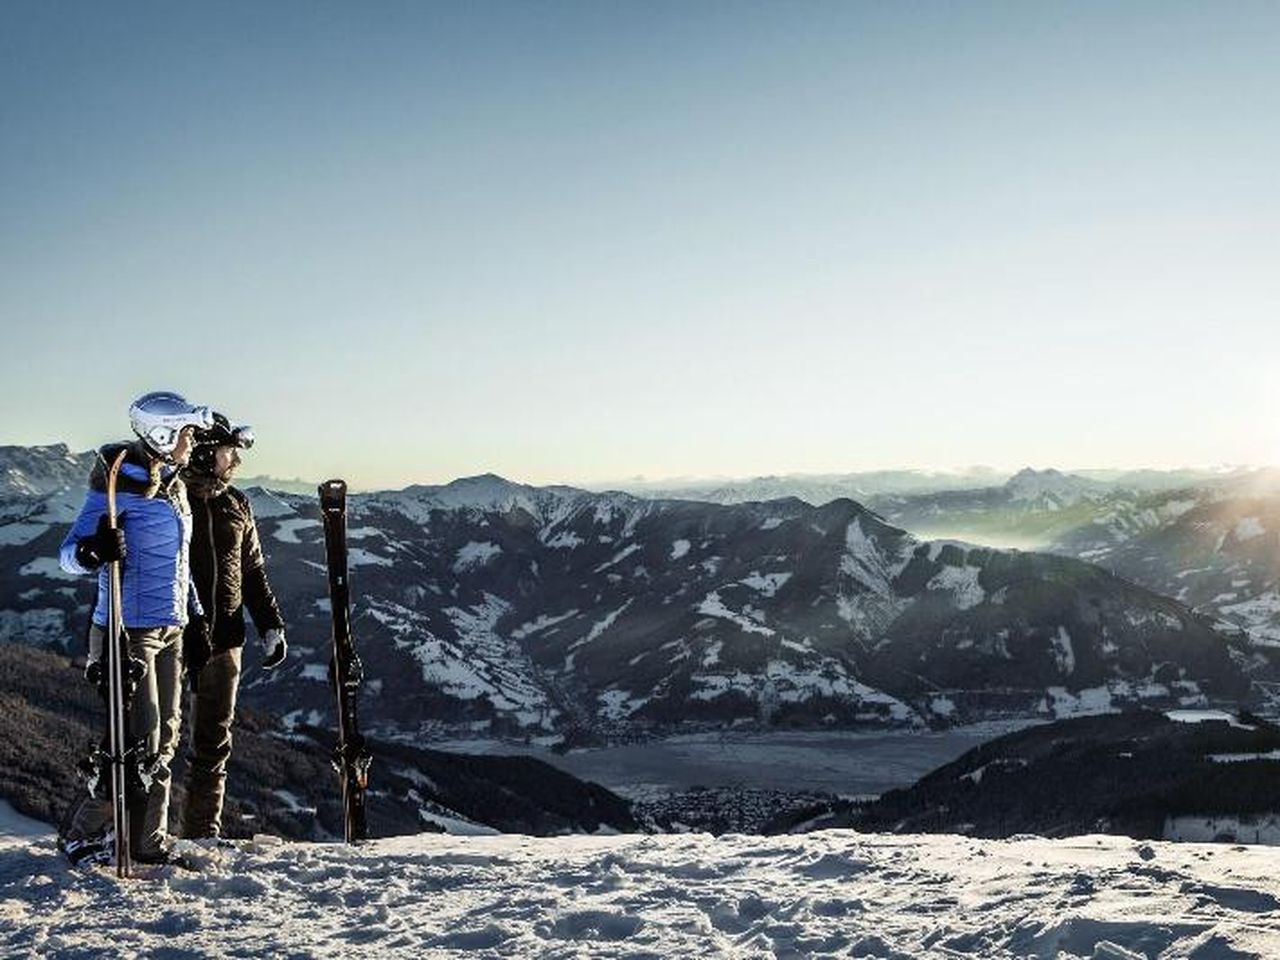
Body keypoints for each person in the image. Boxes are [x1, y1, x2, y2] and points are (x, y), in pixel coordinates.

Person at [58, 390, 213, 865]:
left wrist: (197, 615)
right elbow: (68, 553)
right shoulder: (116, 483)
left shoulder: (175, 484)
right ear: (164, 434)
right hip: (128, 630)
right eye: (187, 433)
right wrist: (93, 551)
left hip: (171, 627)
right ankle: (85, 833)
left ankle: (149, 841)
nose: (193, 442)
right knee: (134, 740)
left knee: (165, 737)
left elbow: (179, 562)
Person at [181, 411, 287, 840]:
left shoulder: (236, 503)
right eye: (228, 453)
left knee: (212, 745)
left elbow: (253, 571)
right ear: (206, 454)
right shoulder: (168, 499)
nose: (235, 463)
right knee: (154, 742)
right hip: (170, 638)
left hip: (225, 640)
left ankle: (201, 835)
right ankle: (139, 835)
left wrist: (270, 624)